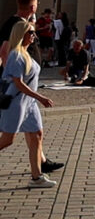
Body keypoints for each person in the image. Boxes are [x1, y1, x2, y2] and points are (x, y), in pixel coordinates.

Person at [0, 20, 57, 188]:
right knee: (8, 140)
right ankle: (37, 176)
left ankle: (36, 176)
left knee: (37, 135)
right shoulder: (15, 55)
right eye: (31, 33)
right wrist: (41, 97)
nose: (34, 36)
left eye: (33, 33)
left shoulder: (25, 53)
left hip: (28, 103)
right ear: (21, 34)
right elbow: (18, 83)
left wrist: (35, 99)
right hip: (16, 103)